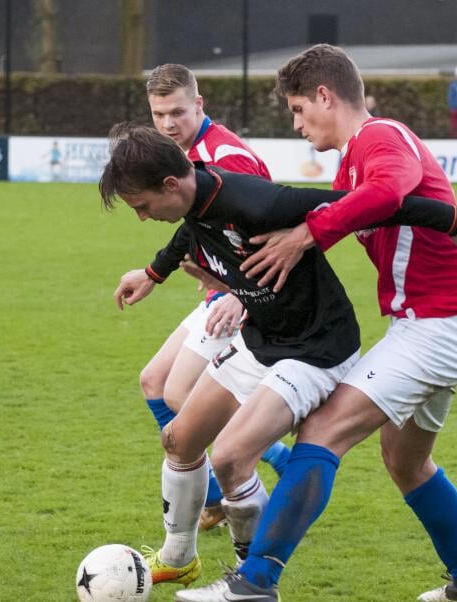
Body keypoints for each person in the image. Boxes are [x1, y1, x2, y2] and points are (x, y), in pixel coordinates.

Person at [100, 124, 457, 593]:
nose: (141, 217)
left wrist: (450, 218)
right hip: (263, 337)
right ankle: (180, 558)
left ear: (171, 185)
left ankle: (249, 579)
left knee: (231, 456)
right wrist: (153, 273)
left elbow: (375, 206)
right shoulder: (196, 200)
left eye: (142, 206)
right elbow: (189, 235)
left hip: (315, 349)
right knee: (179, 440)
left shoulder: (258, 202)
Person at [177, 44, 457, 602]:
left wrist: (306, 236)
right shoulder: (351, 160)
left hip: (438, 325)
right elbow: (374, 205)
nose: (297, 124)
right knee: (405, 462)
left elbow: (387, 193)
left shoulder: (380, 138)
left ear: (326, 95)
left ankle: (254, 584)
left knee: (322, 432)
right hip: (439, 323)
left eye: (300, 109)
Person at [137, 63, 291, 532]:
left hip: (244, 294)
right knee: (154, 382)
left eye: (177, 112)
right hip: (219, 290)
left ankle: (254, 489)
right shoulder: (180, 155)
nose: (167, 124)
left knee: (179, 393)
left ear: (199, 105)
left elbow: (265, 234)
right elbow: (192, 227)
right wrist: (153, 272)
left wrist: (240, 298)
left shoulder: (226, 157)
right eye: (159, 114)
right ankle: (220, 497)